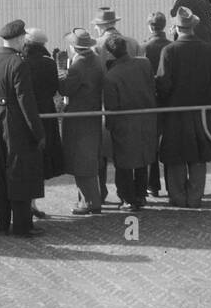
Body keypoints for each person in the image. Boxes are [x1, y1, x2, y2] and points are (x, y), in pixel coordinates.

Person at [0, 20, 46, 238]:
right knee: (20, 172)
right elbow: (26, 101)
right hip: (14, 120)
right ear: (17, 39)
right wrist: (38, 132)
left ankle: (2, 223)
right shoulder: (18, 64)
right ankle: (21, 226)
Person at [155, 6, 211, 207]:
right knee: (199, 155)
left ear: (176, 28)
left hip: (175, 111)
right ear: (194, 26)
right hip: (203, 111)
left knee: (176, 155)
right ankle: (195, 197)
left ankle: (177, 197)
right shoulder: (210, 49)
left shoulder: (169, 50)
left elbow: (164, 83)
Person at [102, 35, 158, 211]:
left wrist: (110, 126)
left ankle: (127, 198)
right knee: (142, 159)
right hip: (147, 118)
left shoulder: (111, 76)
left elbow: (111, 107)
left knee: (124, 164)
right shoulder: (144, 64)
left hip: (124, 122)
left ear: (110, 53)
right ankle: (140, 195)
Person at [59, 29, 107, 214]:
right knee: (90, 160)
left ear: (74, 47)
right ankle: (90, 199)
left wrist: (60, 74)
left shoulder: (78, 65)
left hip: (79, 117)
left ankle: (89, 202)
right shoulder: (96, 60)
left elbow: (66, 89)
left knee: (81, 162)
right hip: (93, 113)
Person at [24, 29, 63, 217]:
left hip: (25, 114)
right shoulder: (48, 63)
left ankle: (27, 203)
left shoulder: (21, 61)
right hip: (46, 112)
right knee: (42, 158)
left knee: (27, 158)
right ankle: (33, 203)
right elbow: (55, 88)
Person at [143, 11, 169, 195]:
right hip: (169, 98)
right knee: (170, 141)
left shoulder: (144, 47)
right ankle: (172, 183)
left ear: (150, 27)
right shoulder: (171, 46)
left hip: (151, 99)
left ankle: (152, 184)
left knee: (151, 143)